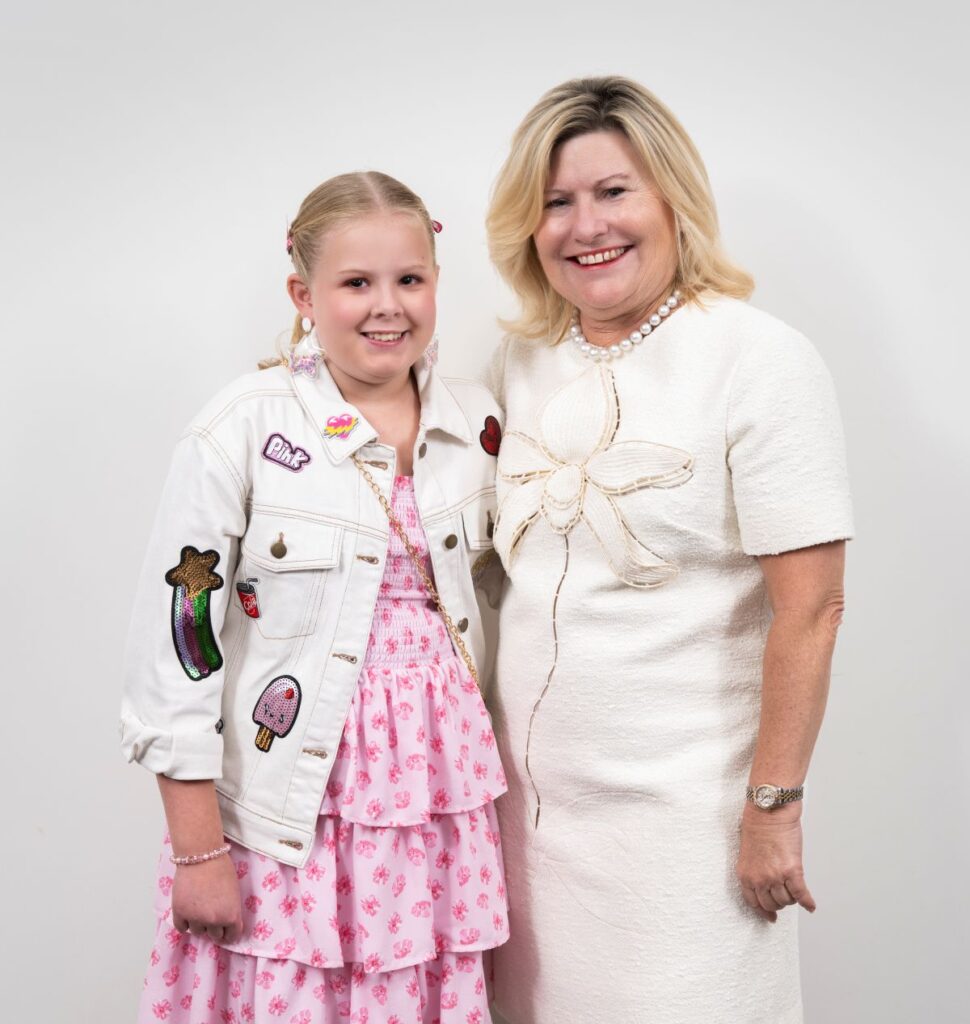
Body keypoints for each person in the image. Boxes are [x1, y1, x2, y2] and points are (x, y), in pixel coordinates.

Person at [483, 76, 853, 1024]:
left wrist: (775, 809)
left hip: (687, 836)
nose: (584, 225)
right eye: (555, 202)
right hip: (522, 836)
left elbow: (811, 608)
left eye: (613, 192)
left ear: (672, 200)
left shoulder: (758, 358)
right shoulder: (511, 364)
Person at [121, 171, 508, 1023]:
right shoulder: (246, 427)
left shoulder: (477, 427)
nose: (388, 306)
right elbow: (178, 646)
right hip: (288, 813)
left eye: (410, 280)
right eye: (355, 283)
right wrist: (197, 851)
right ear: (303, 293)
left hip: (434, 811)